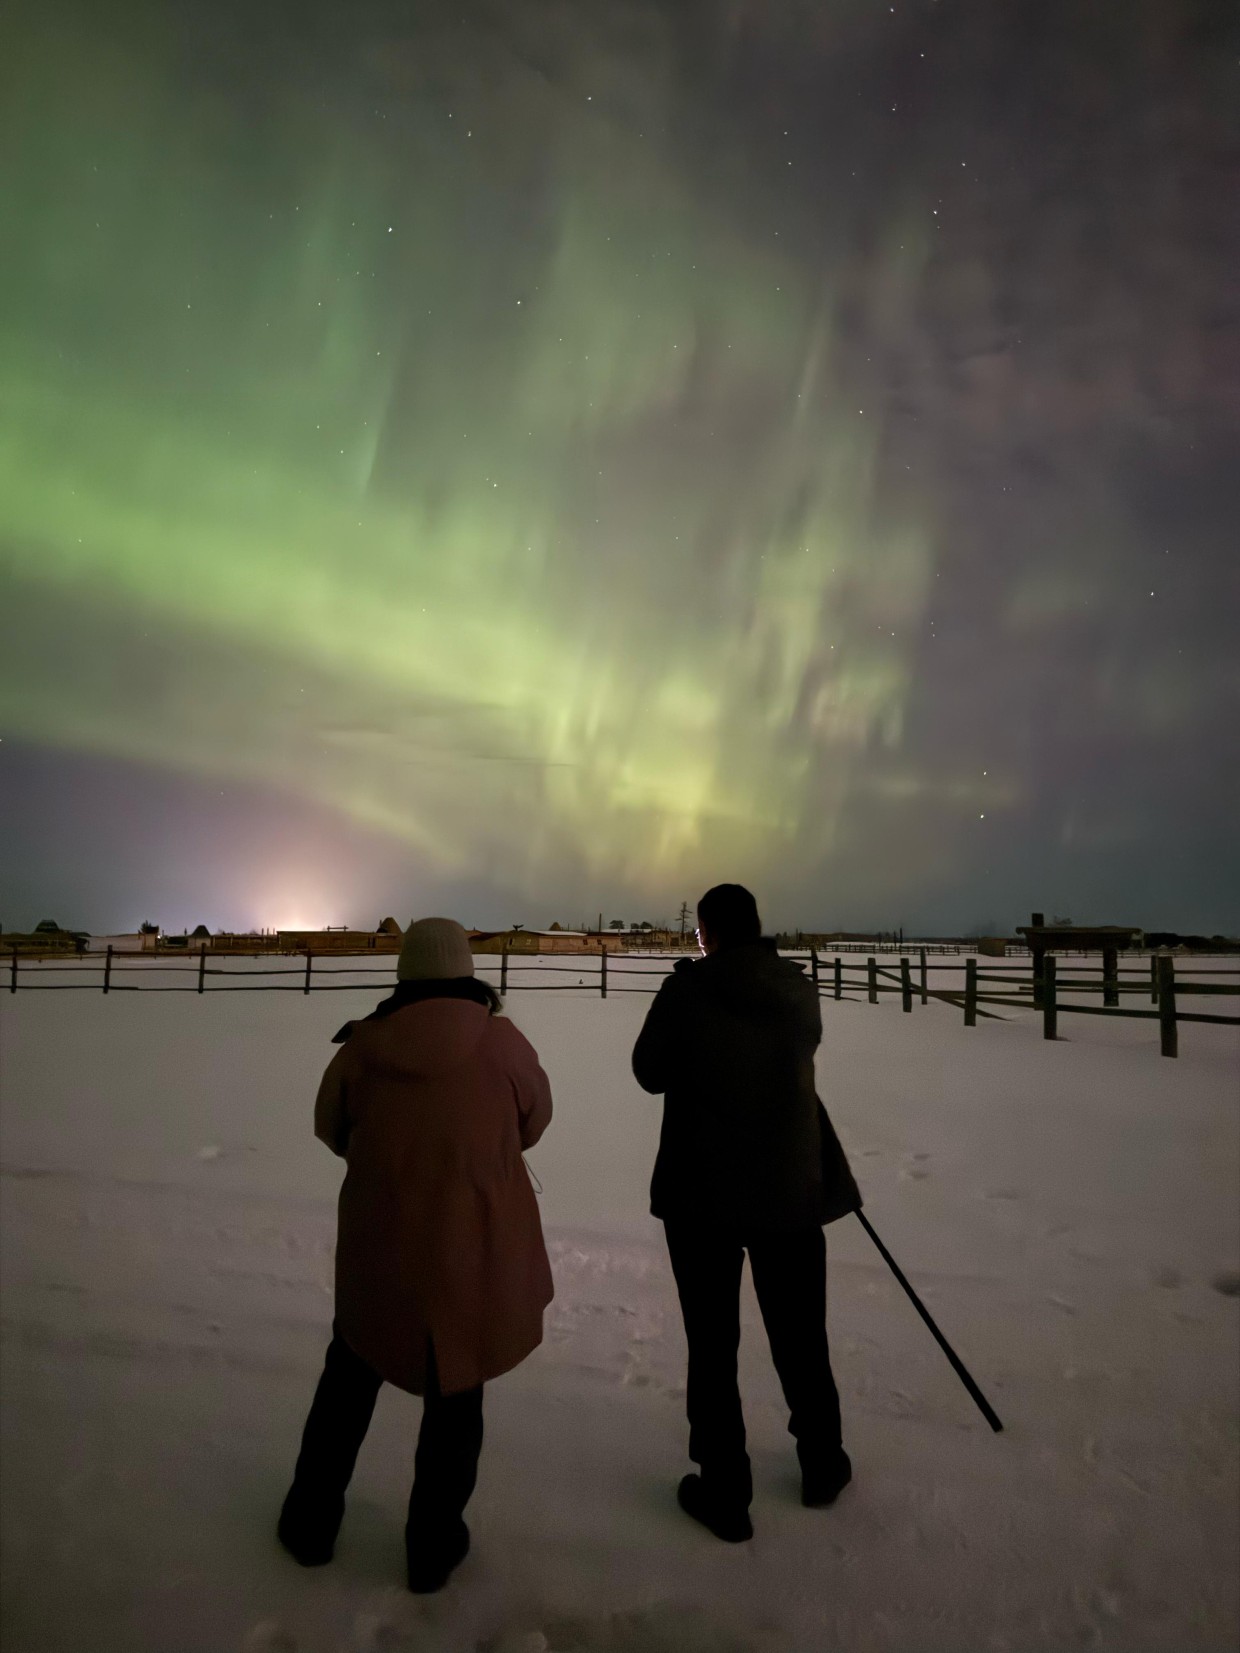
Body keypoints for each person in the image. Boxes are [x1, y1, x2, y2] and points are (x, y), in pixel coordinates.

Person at [277, 917, 553, 1592]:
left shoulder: (365, 1047)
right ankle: (432, 1548)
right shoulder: (503, 1043)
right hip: (475, 1256)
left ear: (403, 972)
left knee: (347, 1384)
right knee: (457, 1401)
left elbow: (329, 1125)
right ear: (466, 969)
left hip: (383, 1255)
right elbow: (534, 1120)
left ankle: (310, 1524)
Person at [631, 884, 861, 1543]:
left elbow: (649, 1070)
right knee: (801, 1336)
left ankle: (725, 1487)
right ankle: (823, 1463)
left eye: (701, 934)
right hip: (790, 1190)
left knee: (713, 1344)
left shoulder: (688, 991)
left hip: (701, 1197)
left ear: (708, 932)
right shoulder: (796, 988)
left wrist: (688, 1010)